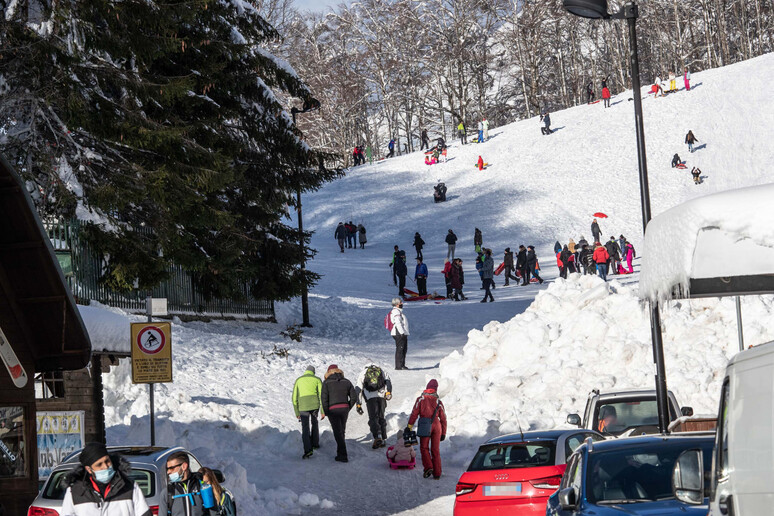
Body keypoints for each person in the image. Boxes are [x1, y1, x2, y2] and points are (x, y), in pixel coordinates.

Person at [61, 442, 151, 515]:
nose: (105, 466)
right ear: (89, 469)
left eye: (107, 461)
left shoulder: (129, 487)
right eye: (99, 465)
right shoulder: (75, 492)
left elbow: (144, 513)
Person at [407, 379, 447, 479]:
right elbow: (443, 419)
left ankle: (429, 467)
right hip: (437, 426)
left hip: (425, 424)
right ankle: (437, 473)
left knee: (424, 448)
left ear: (427, 387)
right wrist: (443, 433)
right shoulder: (438, 401)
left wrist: (409, 426)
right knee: (435, 450)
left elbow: (414, 414)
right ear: (435, 389)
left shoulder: (420, 399)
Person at [321, 365, 358, 463]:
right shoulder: (347, 381)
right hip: (344, 409)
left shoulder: (326, 383)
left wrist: (326, 411)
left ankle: (343, 455)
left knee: (337, 432)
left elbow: (324, 399)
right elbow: (354, 397)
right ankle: (340, 452)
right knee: (342, 430)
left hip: (333, 410)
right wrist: (348, 407)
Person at [356, 364, 393, 448]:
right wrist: (388, 392)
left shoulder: (363, 373)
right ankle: (383, 439)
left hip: (370, 398)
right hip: (381, 397)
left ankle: (377, 436)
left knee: (373, 418)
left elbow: (358, 389)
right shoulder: (382, 371)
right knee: (381, 417)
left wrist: (358, 404)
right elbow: (388, 382)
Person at [162, 451, 209, 516]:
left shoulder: (202, 487)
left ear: (184, 466)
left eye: (171, 468)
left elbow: (214, 513)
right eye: (167, 469)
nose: (168, 472)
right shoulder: (167, 493)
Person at [292, 365, 324, 459]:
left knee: (305, 427)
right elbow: (322, 396)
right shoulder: (317, 379)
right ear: (313, 372)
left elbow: (294, 398)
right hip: (315, 405)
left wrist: (297, 412)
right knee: (315, 423)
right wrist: (322, 410)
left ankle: (308, 450)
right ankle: (315, 444)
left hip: (303, 407)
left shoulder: (299, 380)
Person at [389, 298, 409, 369]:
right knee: (400, 349)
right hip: (399, 333)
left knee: (403, 349)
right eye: (400, 302)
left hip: (401, 333)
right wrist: (402, 333)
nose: (402, 303)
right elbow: (398, 323)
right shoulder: (396, 312)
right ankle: (398, 366)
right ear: (397, 304)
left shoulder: (398, 311)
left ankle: (402, 365)